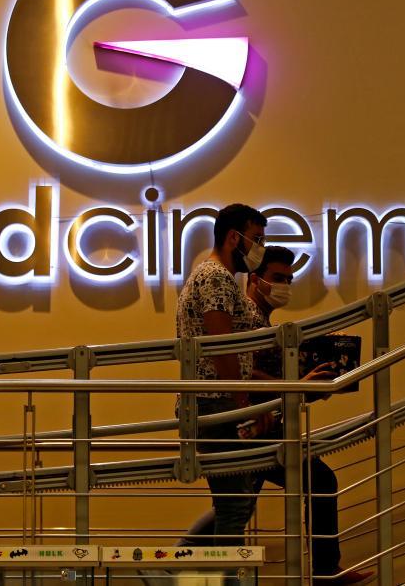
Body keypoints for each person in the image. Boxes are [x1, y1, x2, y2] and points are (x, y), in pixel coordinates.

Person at [180, 246, 372, 585]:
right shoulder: (249, 316)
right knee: (316, 481)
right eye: (278, 278)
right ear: (255, 280)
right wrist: (296, 386)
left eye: (289, 279)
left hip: (259, 419)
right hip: (254, 422)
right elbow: (243, 369)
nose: (285, 286)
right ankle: (325, 570)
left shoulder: (264, 320)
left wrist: (306, 384)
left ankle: (177, 559)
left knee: (238, 505)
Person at [174, 203, 270, 549]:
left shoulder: (214, 276)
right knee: (234, 505)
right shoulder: (216, 277)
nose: (260, 248)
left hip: (214, 403)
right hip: (215, 403)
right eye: (257, 238)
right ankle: (212, 570)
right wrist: (242, 401)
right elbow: (221, 344)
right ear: (234, 238)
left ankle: (179, 566)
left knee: (236, 502)